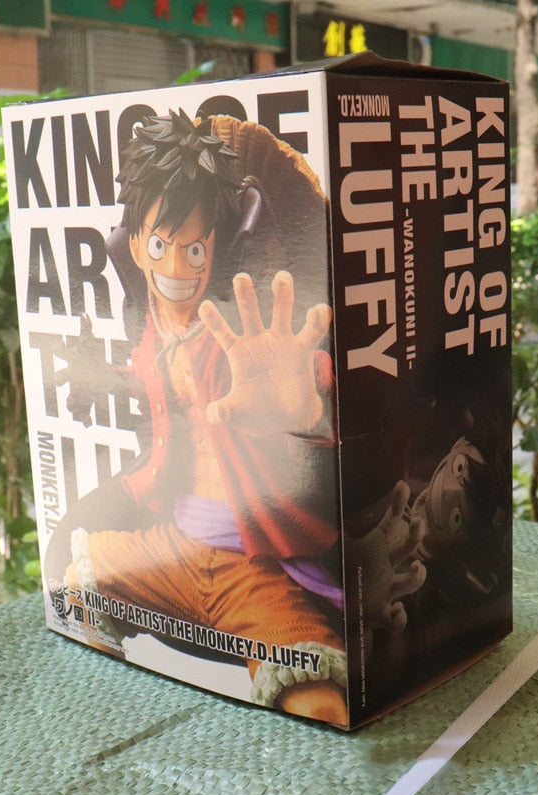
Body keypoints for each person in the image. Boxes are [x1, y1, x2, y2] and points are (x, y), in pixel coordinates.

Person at [44, 110, 428, 726]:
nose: (177, 269)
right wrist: (95, 377)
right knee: (73, 589)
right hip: (167, 547)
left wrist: (304, 414)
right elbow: (161, 402)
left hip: (254, 571)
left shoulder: (249, 338)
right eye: (161, 245)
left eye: (195, 248)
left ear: (222, 243)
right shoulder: (153, 329)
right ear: (136, 245)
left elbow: (319, 400)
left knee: (314, 693)